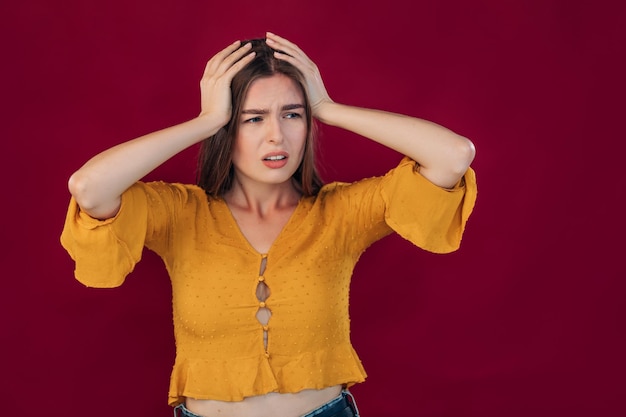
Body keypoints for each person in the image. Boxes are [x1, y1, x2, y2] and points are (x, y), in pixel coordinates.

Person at [61, 32, 477, 417]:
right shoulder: (178, 212)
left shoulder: (343, 211)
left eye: (292, 114)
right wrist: (204, 121)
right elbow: (89, 188)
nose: (276, 136)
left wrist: (327, 108)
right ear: (228, 127)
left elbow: (453, 155)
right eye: (253, 118)